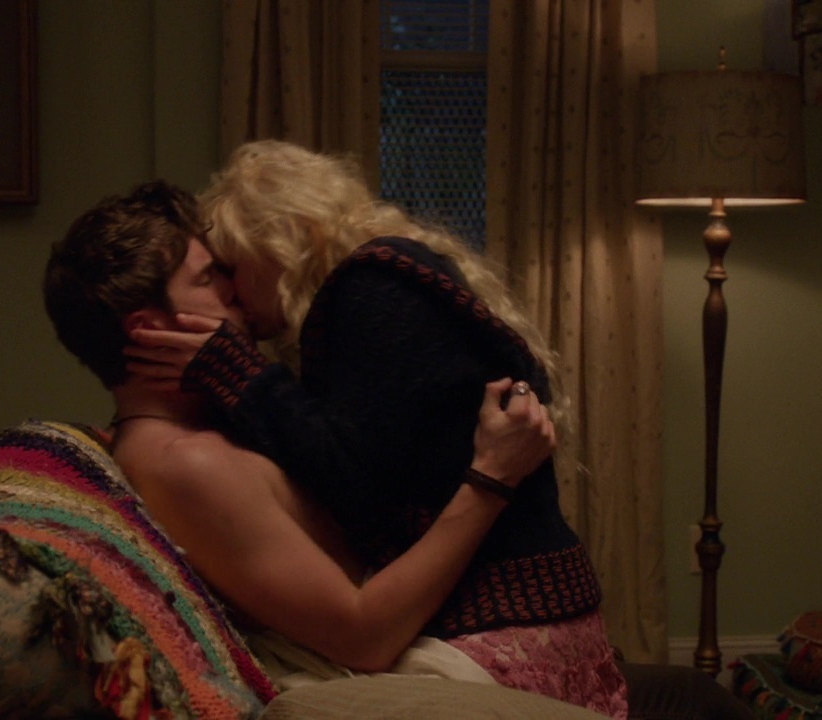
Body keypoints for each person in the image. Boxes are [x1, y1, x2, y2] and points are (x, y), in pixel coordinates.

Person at [125, 140, 754, 719]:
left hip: (504, 617)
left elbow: (356, 484)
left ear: (276, 247)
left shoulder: (369, 289)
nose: (232, 293)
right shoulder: (380, 282)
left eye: (232, 267)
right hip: (533, 604)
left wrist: (238, 374)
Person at [42, 180, 557, 683]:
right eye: (206, 278)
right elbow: (364, 636)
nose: (232, 288)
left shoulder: (214, 424)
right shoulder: (186, 462)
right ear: (151, 330)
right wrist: (491, 478)